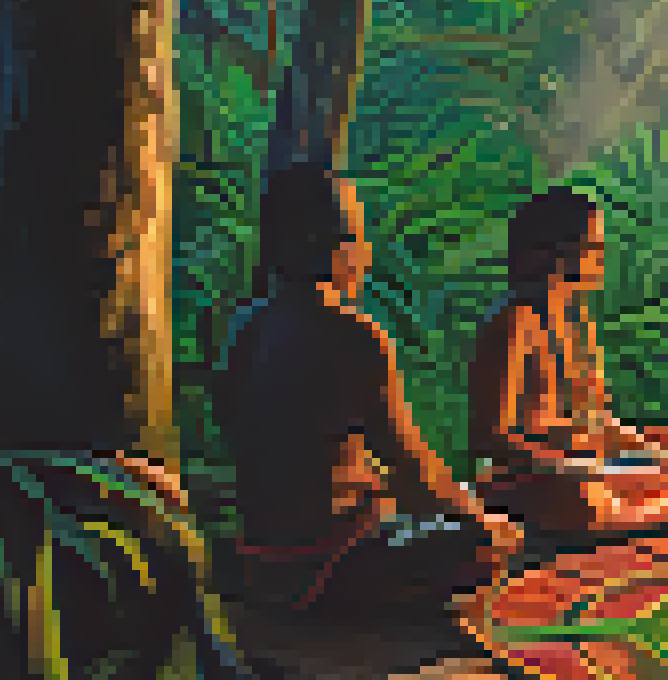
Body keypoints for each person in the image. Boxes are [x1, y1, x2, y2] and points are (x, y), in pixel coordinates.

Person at [216, 167, 519, 618]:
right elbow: (414, 474)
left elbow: (237, 429)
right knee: (481, 546)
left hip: (256, 558)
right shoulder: (352, 332)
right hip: (331, 560)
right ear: (339, 248)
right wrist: (479, 517)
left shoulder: (246, 325)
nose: (366, 254)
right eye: (360, 238)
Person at [470, 187, 668, 536]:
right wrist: (572, 465)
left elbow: (597, 423)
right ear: (557, 251)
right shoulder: (516, 321)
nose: (601, 258)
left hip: (597, 466)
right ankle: (651, 512)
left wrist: (663, 449)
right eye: (592, 247)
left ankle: (648, 511)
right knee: (587, 497)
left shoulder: (579, 324)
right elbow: (492, 440)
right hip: (537, 476)